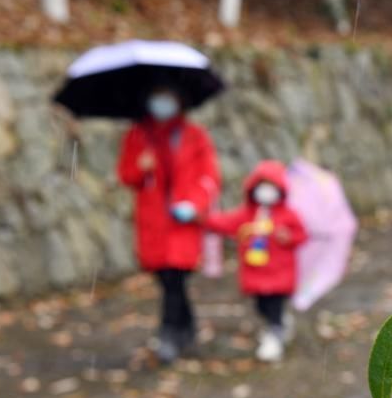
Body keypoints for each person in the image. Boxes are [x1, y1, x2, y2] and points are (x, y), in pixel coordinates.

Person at [117, 86, 221, 363]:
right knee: (167, 280)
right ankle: (187, 327)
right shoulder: (138, 136)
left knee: (175, 277)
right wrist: (142, 166)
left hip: (182, 221)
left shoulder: (194, 136)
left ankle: (168, 334)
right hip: (153, 222)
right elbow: (127, 176)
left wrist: (194, 204)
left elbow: (209, 177)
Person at [204, 160, 308, 362]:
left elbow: (301, 235)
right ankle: (278, 324)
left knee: (274, 306)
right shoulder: (247, 215)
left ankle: (274, 336)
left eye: (271, 186)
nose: (266, 191)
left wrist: (289, 237)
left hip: (280, 274)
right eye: (262, 185)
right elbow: (226, 222)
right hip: (256, 273)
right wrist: (203, 219)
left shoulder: (288, 215)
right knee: (261, 307)